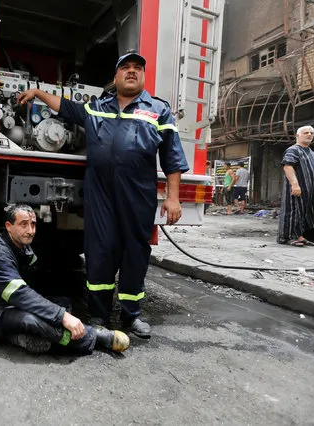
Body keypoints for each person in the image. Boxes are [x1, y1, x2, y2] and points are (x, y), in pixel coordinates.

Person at [16, 52, 189, 338]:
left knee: (135, 253)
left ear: (143, 76)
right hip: (101, 197)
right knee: (100, 253)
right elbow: (68, 108)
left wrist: (173, 197)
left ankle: (132, 316)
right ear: (115, 77)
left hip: (138, 196)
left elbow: (172, 156)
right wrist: (38, 93)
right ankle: (98, 313)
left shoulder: (158, 110)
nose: (131, 72)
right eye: (125, 68)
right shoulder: (97, 108)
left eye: (137, 68)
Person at [0, 204, 129, 355]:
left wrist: (57, 313)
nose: (30, 231)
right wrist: (62, 317)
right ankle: (92, 337)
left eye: (33, 225)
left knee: (62, 303)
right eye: (23, 224)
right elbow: (20, 295)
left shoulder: (21, 245)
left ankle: (28, 335)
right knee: (31, 319)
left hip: (12, 305)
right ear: (8, 226)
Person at [277, 126, 314, 246]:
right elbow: (288, 166)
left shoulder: (309, 151)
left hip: (308, 190)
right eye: (305, 132)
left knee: (303, 213)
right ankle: (286, 237)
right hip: (297, 188)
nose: (309, 134)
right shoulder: (294, 150)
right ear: (297, 135)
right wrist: (295, 184)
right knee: (292, 211)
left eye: (311, 133)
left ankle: (299, 236)